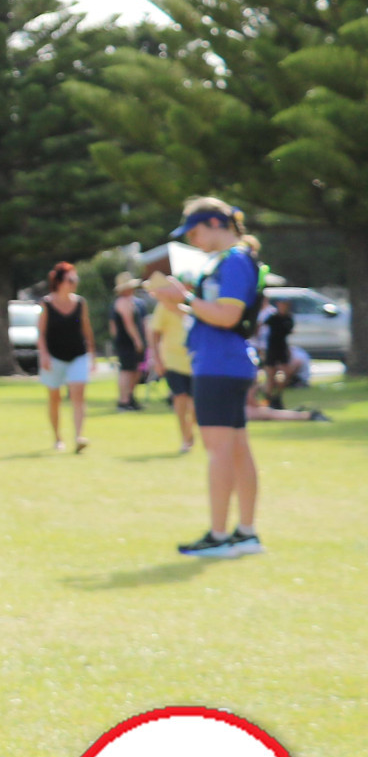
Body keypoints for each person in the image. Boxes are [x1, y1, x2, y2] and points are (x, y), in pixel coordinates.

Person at [156, 198, 264, 558]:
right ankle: (245, 533)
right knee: (235, 448)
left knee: (219, 450)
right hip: (226, 362)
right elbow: (217, 313)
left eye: (196, 230)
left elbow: (227, 315)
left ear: (217, 223)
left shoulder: (232, 260)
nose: (193, 239)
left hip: (219, 363)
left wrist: (185, 297)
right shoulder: (229, 260)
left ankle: (219, 537)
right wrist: (183, 303)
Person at [37, 262, 95, 453]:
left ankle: (79, 436)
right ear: (60, 281)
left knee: (78, 394)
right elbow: (41, 333)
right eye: (71, 279)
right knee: (55, 398)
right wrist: (44, 355)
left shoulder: (80, 303)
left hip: (78, 354)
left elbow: (86, 328)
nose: (74, 283)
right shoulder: (47, 303)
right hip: (54, 356)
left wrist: (92, 352)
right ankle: (57, 438)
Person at [145, 272, 196, 454]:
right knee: (180, 399)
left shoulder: (192, 306)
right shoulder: (162, 308)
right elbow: (154, 334)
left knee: (195, 405)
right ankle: (185, 438)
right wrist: (156, 359)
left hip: (195, 360)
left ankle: (191, 432)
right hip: (173, 361)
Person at [110, 273, 146, 410]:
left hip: (127, 342)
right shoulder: (122, 302)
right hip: (127, 342)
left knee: (135, 370)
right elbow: (128, 323)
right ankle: (124, 400)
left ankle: (130, 397)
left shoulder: (132, 302)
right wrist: (138, 341)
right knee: (127, 371)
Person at [261, 294, 295, 409]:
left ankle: (278, 396)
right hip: (272, 349)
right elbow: (261, 327)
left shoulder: (288, 318)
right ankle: (268, 399)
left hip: (282, 349)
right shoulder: (272, 318)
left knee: (285, 373)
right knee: (270, 375)